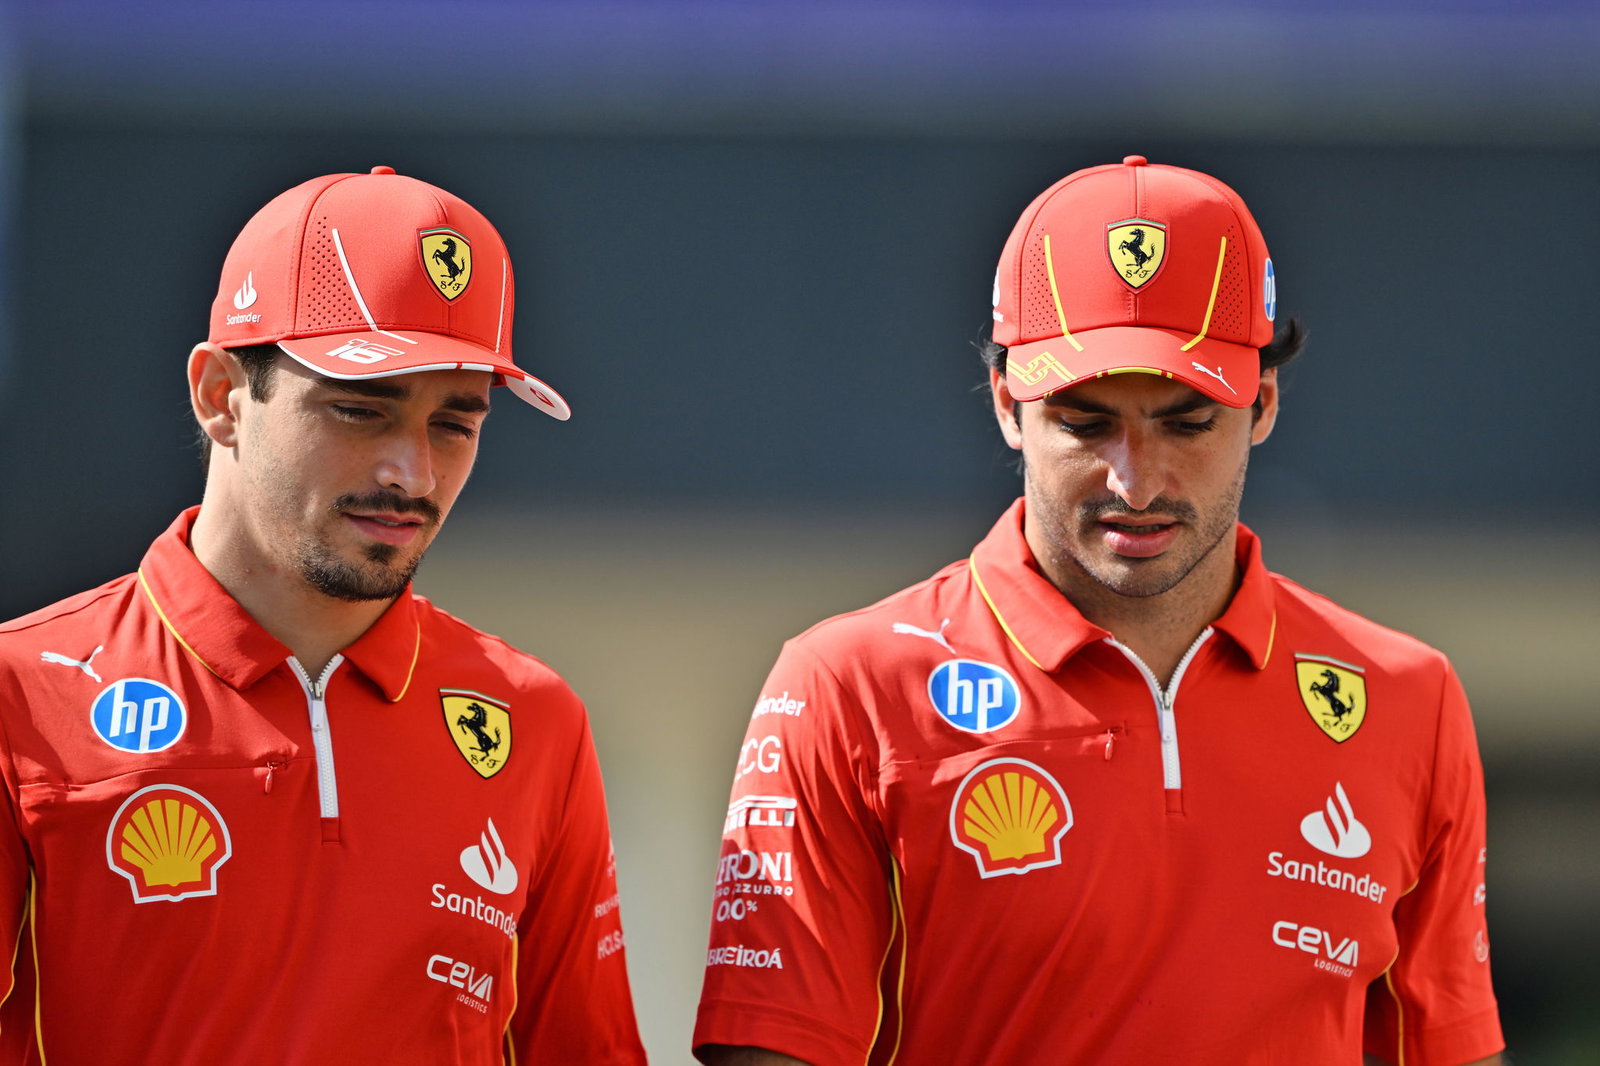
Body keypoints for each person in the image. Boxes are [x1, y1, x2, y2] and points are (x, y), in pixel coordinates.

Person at [693, 156, 1503, 1065]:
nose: (1136, 478)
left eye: (1187, 422)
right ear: (1008, 405)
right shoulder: (851, 685)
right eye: (1084, 422)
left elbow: (1449, 1048)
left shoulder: (1407, 698)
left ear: (1264, 405)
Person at [0, 167, 646, 1064]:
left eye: (455, 424)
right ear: (221, 393)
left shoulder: (535, 722)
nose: (411, 475)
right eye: (359, 410)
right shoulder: (22, 698)